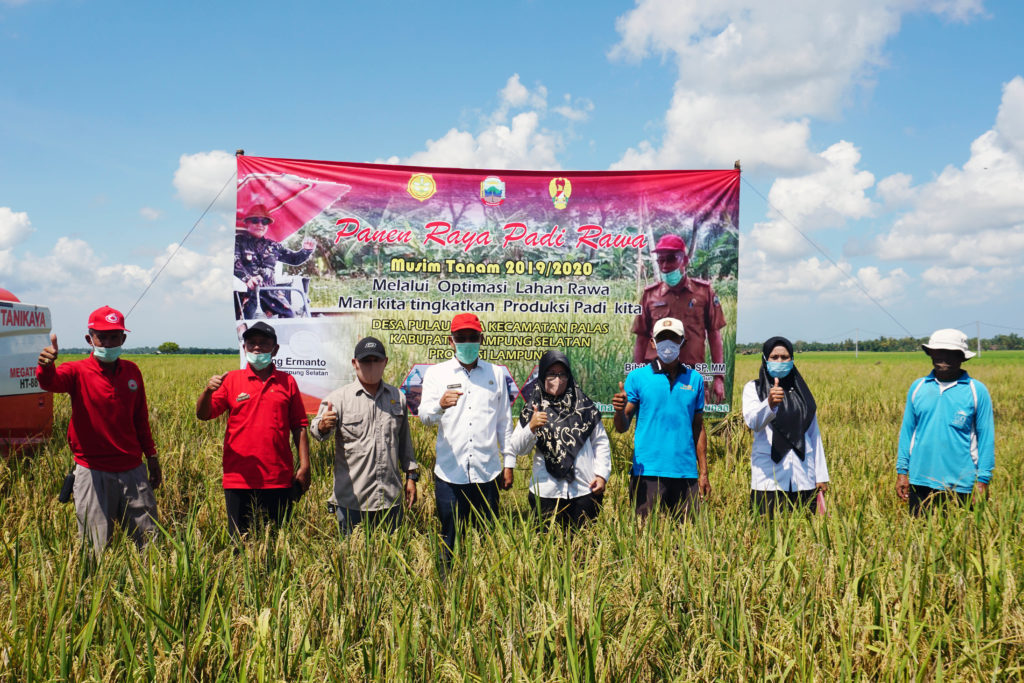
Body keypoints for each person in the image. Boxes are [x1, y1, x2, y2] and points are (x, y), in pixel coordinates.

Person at [35, 306, 161, 557]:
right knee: (95, 549)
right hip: (93, 471)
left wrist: (152, 458)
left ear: (123, 339)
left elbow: (140, 420)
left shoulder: (133, 372)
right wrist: (46, 366)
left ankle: (149, 591)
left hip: (133, 470)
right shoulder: (76, 371)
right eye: (101, 336)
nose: (108, 342)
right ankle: (95, 594)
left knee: (149, 544)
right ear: (89, 339)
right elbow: (50, 382)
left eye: (115, 336)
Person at [196, 321, 311, 537]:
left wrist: (305, 465)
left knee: (277, 542)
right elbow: (203, 415)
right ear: (244, 348)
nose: (257, 348)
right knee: (239, 542)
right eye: (252, 343)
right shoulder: (230, 380)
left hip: (278, 477)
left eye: (264, 343)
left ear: (275, 349)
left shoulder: (287, 382)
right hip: (239, 477)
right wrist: (207, 392)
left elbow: (299, 426)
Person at [419, 313, 515, 568]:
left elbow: (504, 422)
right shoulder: (436, 374)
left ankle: (485, 589)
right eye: (461, 338)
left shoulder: (496, 373)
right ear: (451, 341)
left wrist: (509, 463)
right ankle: (446, 589)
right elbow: (425, 417)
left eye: (473, 337)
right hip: (450, 474)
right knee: (449, 539)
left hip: (488, 473)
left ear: (481, 339)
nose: (467, 343)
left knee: (487, 542)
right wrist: (439, 405)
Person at [310, 336, 419, 534]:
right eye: (365, 361)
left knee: (390, 560)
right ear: (355, 363)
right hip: (352, 502)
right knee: (352, 561)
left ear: (385, 362)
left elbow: (405, 443)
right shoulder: (339, 398)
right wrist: (324, 426)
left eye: (376, 361)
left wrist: (411, 476)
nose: (371, 366)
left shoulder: (397, 397)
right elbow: (316, 430)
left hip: (390, 499)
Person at [613, 317, 710, 520]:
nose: (668, 344)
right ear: (652, 342)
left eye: (673, 338)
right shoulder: (638, 378)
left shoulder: (695, 379)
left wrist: (703, 473)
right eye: (662, 338)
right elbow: (622, 426)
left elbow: (698, 427)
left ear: (683, 341)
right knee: (643, 540)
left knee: (689, 542)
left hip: (685, 473)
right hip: (648, 472)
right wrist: (619, 411)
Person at [896, 328, 994, 515]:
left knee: (961, 540)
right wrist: (902, 472)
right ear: (930, 353)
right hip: (920, 481)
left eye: (951, 353)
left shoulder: (976, 391)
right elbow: (907, 432)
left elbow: (986, 438)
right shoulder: (918, 387)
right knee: (919, 538)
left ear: (962, 357)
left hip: (961, 484)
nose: (944, 357)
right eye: (939, 351)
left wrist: (983, 481)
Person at [510, 350, 611, 529]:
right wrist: (531, 427)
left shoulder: (585, 406)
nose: (557, 380)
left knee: (584, 552)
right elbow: (518, 448)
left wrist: (601, 475)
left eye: (562, 374)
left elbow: (601, 442)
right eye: (551, 374)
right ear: (542, 376)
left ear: (569, 376)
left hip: (584, 490)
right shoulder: (533, 408)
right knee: (548, 550)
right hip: (546, 492)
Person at [632, 234, 727, 403]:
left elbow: (714, 336)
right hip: (656, 377)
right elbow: (641, 338)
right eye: (661, 260)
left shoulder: (704, 292)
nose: (665, 266)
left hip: (693, 376)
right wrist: (636, 378)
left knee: (695, 427)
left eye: (671, 259)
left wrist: (718, 377)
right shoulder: (650, 295)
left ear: (685, 260)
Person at [742, 336, 829, 517]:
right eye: (774, 357)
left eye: (785, 357)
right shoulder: (754, 388)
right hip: (767, 479)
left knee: (804, 534)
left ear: (792, 360)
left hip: (803, 476)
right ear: (765, 359)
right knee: (767, 534)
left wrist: (820, 475)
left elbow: (814, 434)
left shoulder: (801, 392)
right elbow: (753, 422)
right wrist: (769, 404)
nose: (780, 361)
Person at [234, 204, 316, 319]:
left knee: (290, 316)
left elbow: (294, 259)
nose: (260, 225)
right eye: (255, 220)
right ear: (247, 222)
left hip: (271, 294)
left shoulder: (273, 246)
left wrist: (306, 251)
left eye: (264, 222)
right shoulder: (237, 242)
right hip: (246, 294)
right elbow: (234, 263)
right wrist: (247, 279)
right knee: (248, 324)